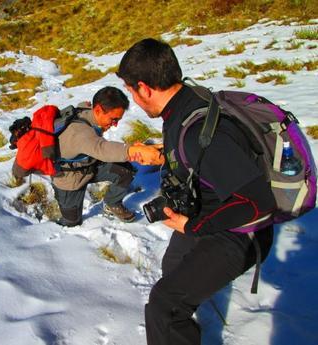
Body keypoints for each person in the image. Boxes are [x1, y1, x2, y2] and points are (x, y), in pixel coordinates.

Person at [117, 38, 276, 345]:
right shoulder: (184, 103)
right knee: (173, 269)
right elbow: (197, 158)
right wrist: (162, 155)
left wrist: (192, 226)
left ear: (144, 88)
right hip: (207, 211)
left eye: (131, 92)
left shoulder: (199, 132)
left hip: (240, 231)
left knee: (164, 305)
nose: (133, 100)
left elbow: (259, 202)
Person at [50, 86, 163, 227]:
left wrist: (134, 148)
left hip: (89, 165)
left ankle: (112, 203)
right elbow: (101, 149)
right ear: (97, 110)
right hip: (69, 180)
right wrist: (132, 151)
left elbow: (99, 148)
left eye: (118, 120)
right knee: (72, 222)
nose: (115, 125)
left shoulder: (88, 112)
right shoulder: (78, 133)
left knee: (125, 170)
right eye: (113, 119)